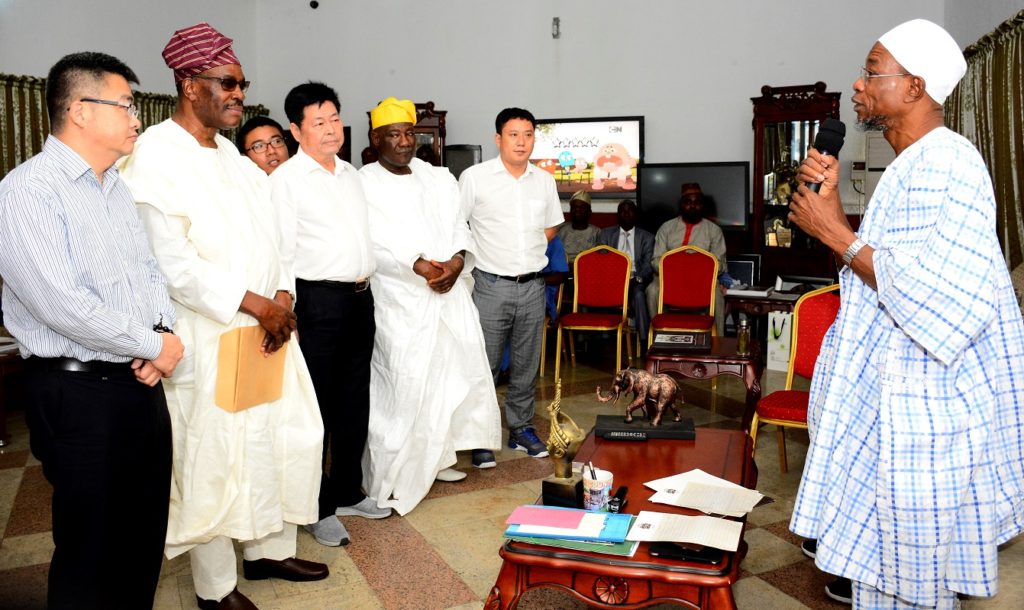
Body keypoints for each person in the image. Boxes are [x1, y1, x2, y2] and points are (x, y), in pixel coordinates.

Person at [787, 18, 1024, 609]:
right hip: (887, 403)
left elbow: (944, 299)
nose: (858, 84)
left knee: (913, 582)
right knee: (885, 579)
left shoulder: (951, 164)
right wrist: (835, 218)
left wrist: (837, 234)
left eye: (872, 72)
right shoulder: (909, 167)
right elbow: (880, 271)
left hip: (925, 415)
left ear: (915, 86)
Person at [119, 23, 327, 610]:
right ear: (190, 85)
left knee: (279, 438)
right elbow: (171, 264)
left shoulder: (233, 156)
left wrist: (281, 296)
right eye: (228, 83)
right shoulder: (155, 155)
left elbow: (273, 239)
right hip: (209, 335)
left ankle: (267, 552)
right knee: (213, 458)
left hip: (267, 329)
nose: (239, 95)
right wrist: (257, 304)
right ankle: (215, 589)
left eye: (242, 84)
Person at [0, 51, 183, 610]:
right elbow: (61, 305)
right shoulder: (28, 191)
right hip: (76, 390)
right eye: (126, 105)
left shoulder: (114, 187)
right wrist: (154, 345)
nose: (137, 119)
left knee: (142, 535)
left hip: (138, 381)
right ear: (80, 110)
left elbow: (148, 272)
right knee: (91, 549)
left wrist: (159, 334)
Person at [357, 97, 502, 513]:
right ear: (375, 139)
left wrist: (456, 262)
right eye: (394, 135)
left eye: (409, 133)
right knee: (403, 384)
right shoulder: (363, 182)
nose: (404, 142)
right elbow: (371, 241)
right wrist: (417, 265)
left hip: (447, 294)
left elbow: (459, 225)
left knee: (445, 377)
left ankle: (437, 458)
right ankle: (392, 473)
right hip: (400, 301)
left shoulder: (437, 177)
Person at [270, 81, 391, 547]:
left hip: (360, 297)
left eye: (335, 119)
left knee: (354, 400)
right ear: (296, 130)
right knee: (315, 406)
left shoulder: (351, 174)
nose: (330, 129)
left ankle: (347, 490)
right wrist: (288, 308)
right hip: (317, 302)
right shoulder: (286, 180)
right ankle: (317, 507)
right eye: (318, 122)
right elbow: (281, 250)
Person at [460, 107, 563, 465]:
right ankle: (480, 436)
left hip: (533, 286)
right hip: (490, 285)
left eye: (528, 134)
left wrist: (526, 249)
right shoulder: (475, 178)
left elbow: (552, 226)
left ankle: (520, 428)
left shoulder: (544, 180)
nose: (521, 142)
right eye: (513, 134)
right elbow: (457, 224)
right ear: (498, 138)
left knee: (525, 364)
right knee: (484, 365)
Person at [645, 183, 731, 333]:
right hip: (669, 279)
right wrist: (677, 270)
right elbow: (656, 260)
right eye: (688, 202)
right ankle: (660, 336)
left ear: (702, 205)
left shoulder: (714, 231)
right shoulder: (666, 228)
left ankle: (718, 340)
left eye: (697, 202)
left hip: (703, 281)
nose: (692, 206)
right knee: (652, 291)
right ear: (681, 205)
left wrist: (696, 271)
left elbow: (719, 264)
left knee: (717, 295)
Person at [598, 199, 654, 352]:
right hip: (612, 279)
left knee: (639, 295)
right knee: (599, 291)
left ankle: (644, 341)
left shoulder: (647, 237)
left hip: (635, 279)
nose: (626, 213)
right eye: (622, 211)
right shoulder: (606, 234)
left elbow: (648, 265)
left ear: (636, 214)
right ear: (617, 215)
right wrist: (613, 278)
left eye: (630, 210)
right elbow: (601, 261)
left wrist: (638, 278)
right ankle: (602, 340)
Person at [556, 190, 601, 264]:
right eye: (574, 207)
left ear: (589, 212)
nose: (577, 210)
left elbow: (599, 258)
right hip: (563, 268)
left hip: (587, 268)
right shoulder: (561, 230)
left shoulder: (596, 232)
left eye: (582, 207)